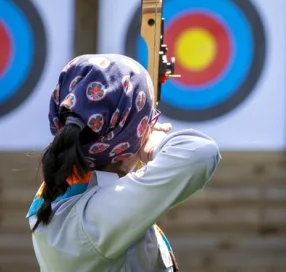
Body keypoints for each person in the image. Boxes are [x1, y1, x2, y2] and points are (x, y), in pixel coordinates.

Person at [27, 54, 221, 272]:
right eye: (148, 120)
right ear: (130, 137)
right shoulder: (95, 218)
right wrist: (154, 144)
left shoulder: (65, 191)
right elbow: (201, 153)